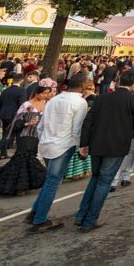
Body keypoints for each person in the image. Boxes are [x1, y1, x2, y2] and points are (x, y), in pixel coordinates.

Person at [75, 69, 134, 232]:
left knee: (95, 178)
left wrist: (84, 143)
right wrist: (125, 129)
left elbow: (88, 121)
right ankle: (90, 219)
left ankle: (81, 215)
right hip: (117, 144)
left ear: (118, 81)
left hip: (97, 142)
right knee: (104, 181)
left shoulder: (102, 98)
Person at [28, 73, 89, 231]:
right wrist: (81, 148)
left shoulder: (54, 99)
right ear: (83, 86)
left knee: (50, 180)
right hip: (62, 145)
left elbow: (41, 125)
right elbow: (76, 130)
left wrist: (43, 139)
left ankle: (35, 212)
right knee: (53, 182)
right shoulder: (80, 102)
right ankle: (40, 219)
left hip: (47, 143)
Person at [0, 79, 55, 195]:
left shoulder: (47, 105)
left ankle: (14, 182)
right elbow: (15, 124)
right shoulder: (26, 105)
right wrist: (27, 123)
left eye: (47, 93)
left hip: (36, 136)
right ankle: (19, 186)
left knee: (26, 158)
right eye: (43, 93)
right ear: (36, 93)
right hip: (24, 135)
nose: (45, 95)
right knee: (23, 158)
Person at [0, 72, 25, 161]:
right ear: (21, 81)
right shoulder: (21, 90)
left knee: (5, 134)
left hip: (4, 114)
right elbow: (22, 105)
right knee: (11, 136)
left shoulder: (5, 90)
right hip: (14, 115)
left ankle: (3, 154)